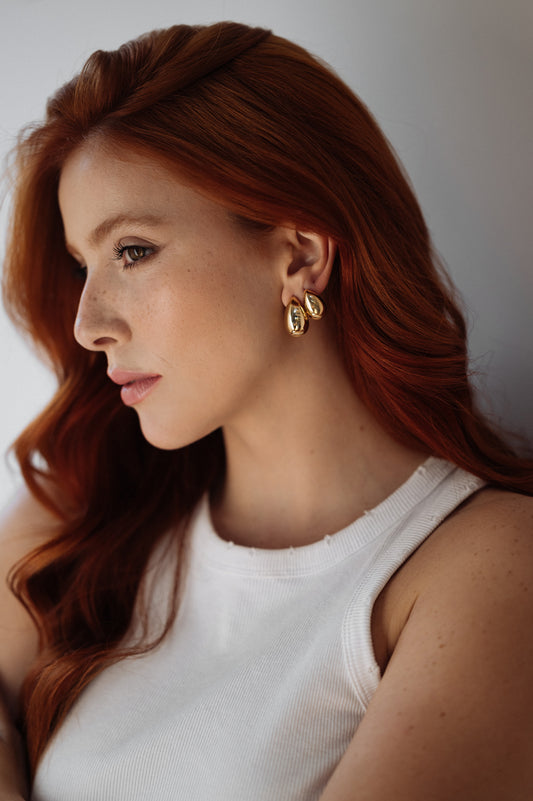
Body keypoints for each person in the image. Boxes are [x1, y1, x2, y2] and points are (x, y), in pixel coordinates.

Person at [0, 20, 532, 801]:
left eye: (133, 250)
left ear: (299, 255)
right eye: (84, 265)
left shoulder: (487, 567)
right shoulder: (86, 507)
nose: (88, 324)